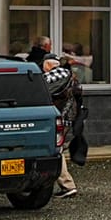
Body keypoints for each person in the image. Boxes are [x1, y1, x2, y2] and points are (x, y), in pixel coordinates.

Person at [43, 57, 81, 198]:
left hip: (57, 118)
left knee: (56, 150)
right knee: (58, 149)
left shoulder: (50, 76)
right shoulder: (70, 76)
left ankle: (67, 185)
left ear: (48, 65)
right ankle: (66, 184)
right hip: (68, 117)